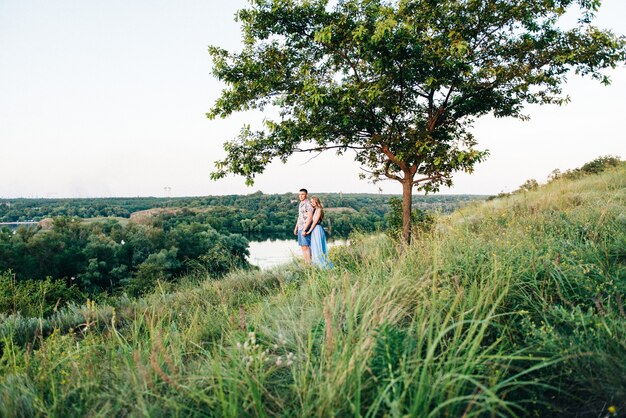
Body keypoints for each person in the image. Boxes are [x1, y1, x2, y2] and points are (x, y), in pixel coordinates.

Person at [303, 196, 333, 269]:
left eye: (313, 201)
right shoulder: (314, 210)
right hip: (314, 230)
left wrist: (309, 231)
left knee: (318, 246)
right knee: (314, 246)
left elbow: (315, 222)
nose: (312, 203)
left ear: (317, 201)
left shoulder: (319, 210)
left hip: (317, 229)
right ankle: (317, 265)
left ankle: (322, 265)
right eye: (311, 202)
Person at [293, 188, 313, 264]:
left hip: (305, 227)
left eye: (302, 194)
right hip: (300, 227)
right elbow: (300, 217)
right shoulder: (301, 204)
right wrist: (296, 228)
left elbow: (310, 218)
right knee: (302, 246)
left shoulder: (308, 204)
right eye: (299, 195)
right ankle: (306, 263)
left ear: (306, 195)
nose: (301, 196)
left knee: (306, 246)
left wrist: (305, 229)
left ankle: (309, 264)